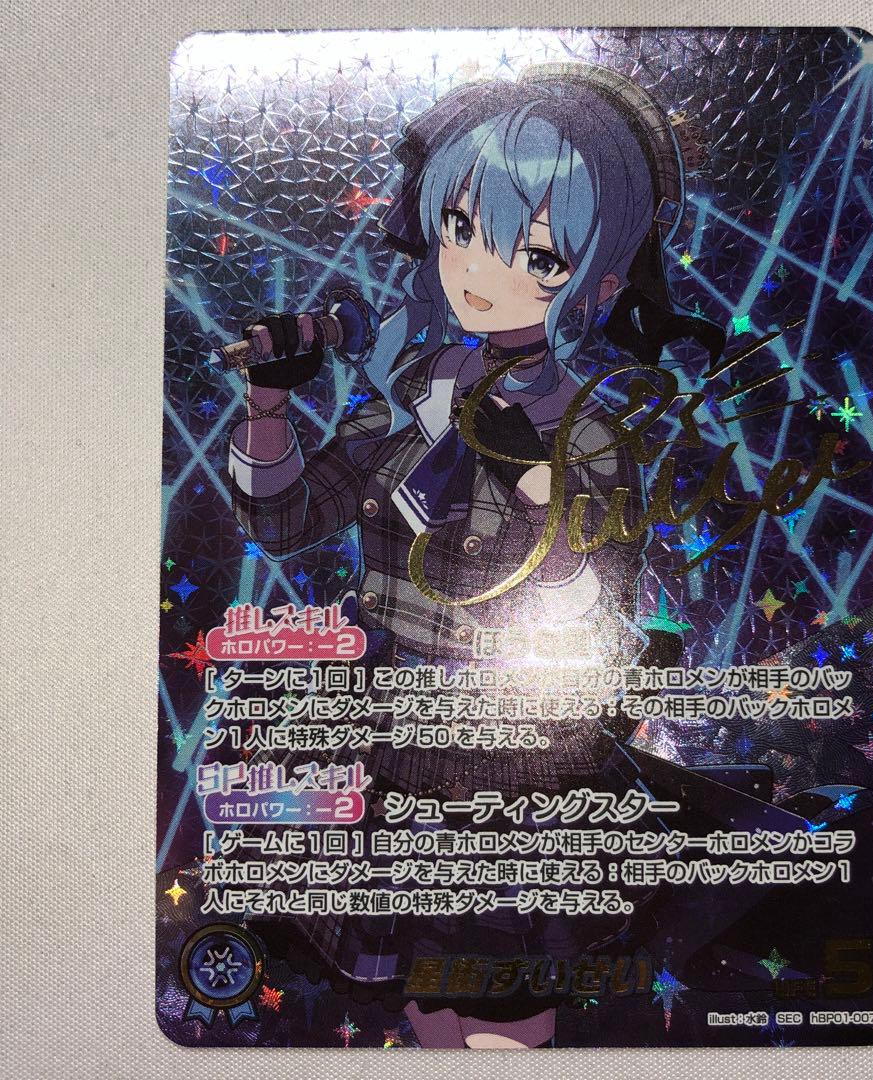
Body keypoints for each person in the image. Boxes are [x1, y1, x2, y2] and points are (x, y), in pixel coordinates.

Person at [224, 61, 723, 1048]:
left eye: (535, 254)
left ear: (602, 281)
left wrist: (535, 483)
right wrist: (269, 406)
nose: (479, 270)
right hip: (389, 732)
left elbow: (594, 615)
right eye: (462, 228)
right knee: (419, 999)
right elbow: (284, 520)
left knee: (505, 997)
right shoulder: (417, 390)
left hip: (517, 753)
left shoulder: (589, 432)